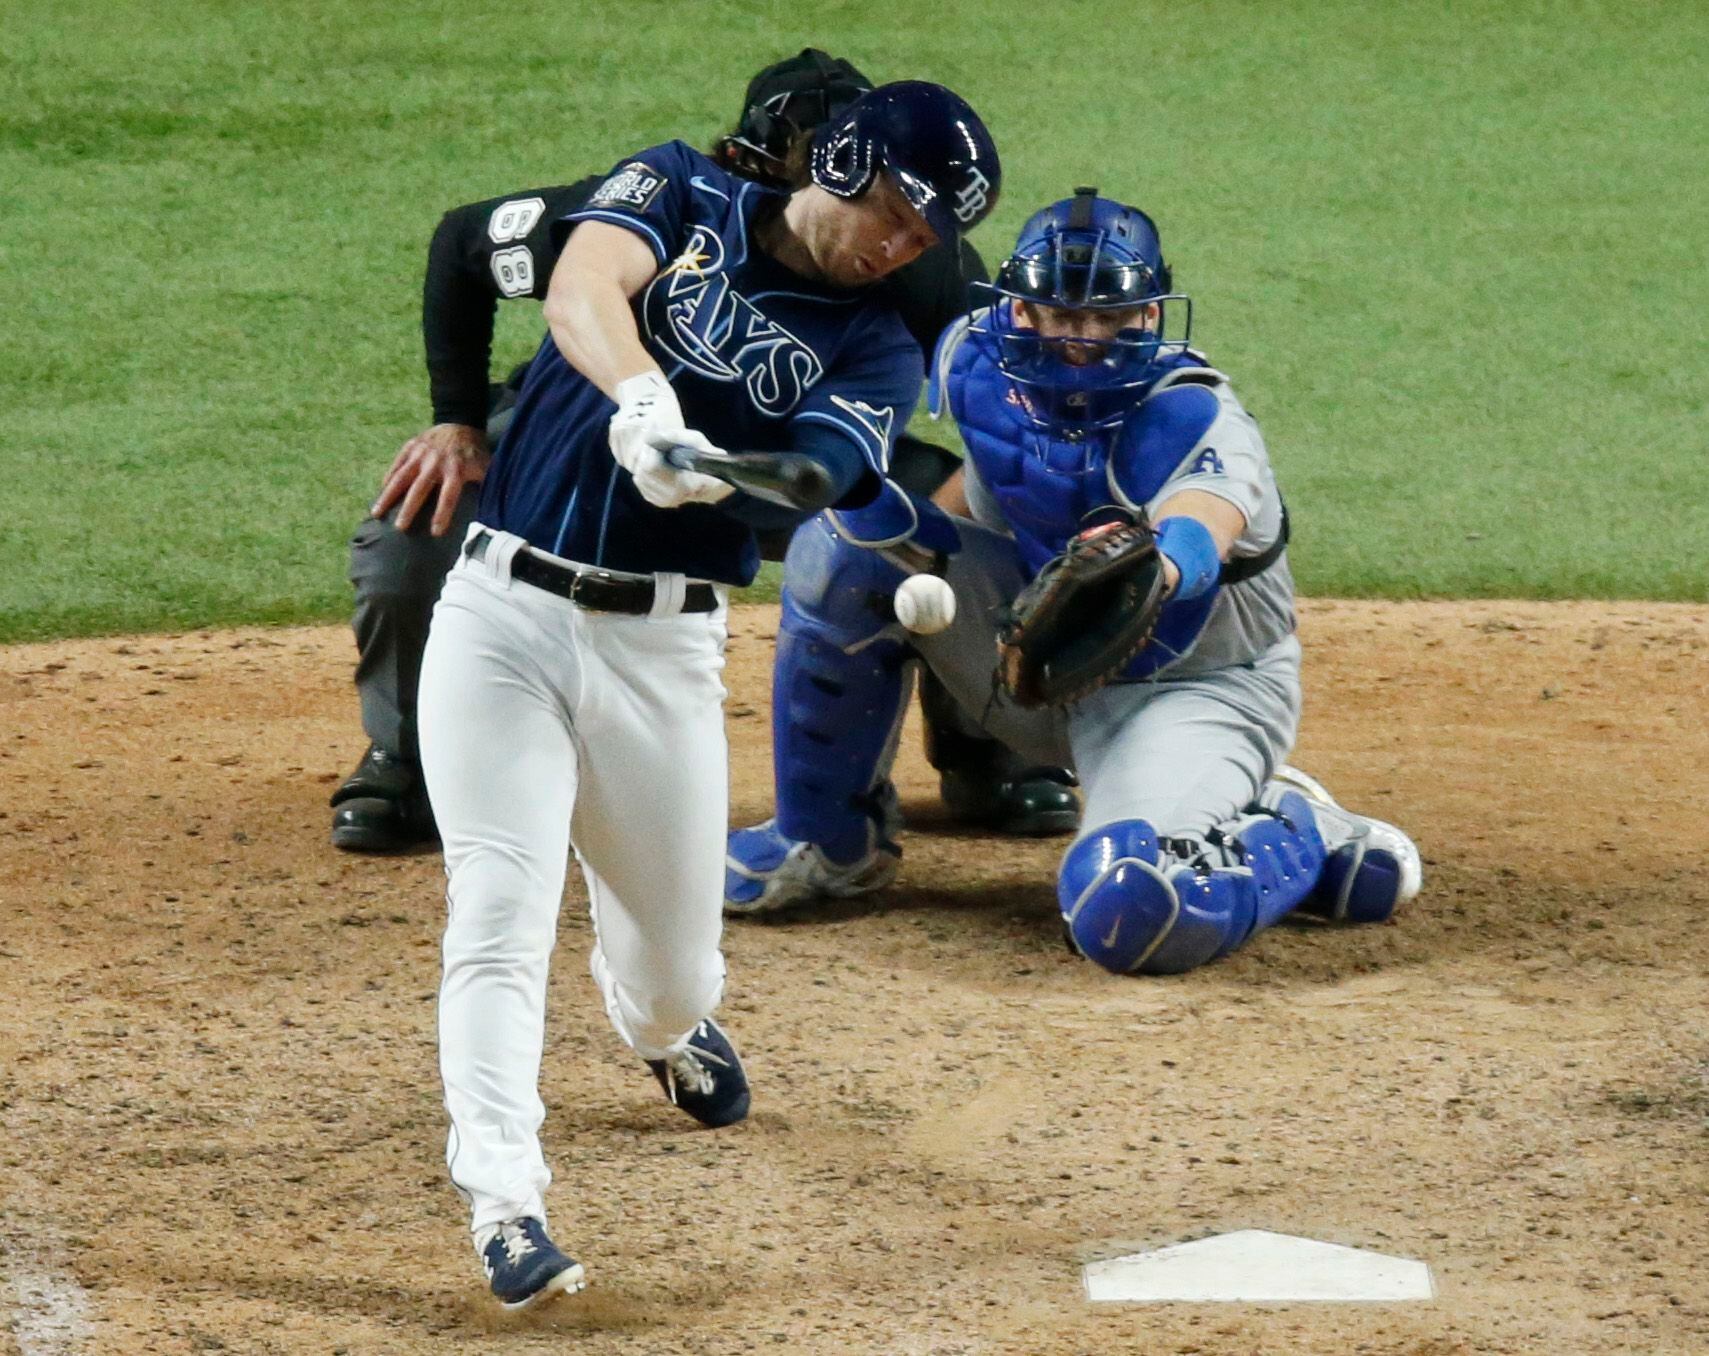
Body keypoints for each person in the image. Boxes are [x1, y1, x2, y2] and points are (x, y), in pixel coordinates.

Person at [417, 83, 1001, 1306]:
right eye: (893, 211)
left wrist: (723, 477)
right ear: (840, 162)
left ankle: (664, 1032)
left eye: (922, 234)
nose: (902, 244)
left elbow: (819, 472)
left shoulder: (877, 344)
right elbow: (582, 289)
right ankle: (506, 1202)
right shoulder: (681, 186)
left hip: (660, 654)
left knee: (678, 968)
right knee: (499, 904)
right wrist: (643, 403)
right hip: (500, 617)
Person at [331, 50, 1071, 853]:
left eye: (908, 224)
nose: (889, 238)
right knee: (420, 516)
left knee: (963, 528)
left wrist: (962, 506)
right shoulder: (674, 196)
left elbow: (1008, 407)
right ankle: (406, 758)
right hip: (594, 426)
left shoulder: (925, 274)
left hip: (790, 457)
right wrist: (457, 422)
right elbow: (467, 247)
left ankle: (988, 749)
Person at [724, 188, 1423, 973]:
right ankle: (825, 843)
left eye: (1107, 319)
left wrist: (1147, 569)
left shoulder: (1194, 416)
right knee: (849, 543)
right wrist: (929, 585)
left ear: (1150, 319)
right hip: (1035, 664)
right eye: (1059, 315)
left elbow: (1201, 529)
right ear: (1020, 311)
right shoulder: (976, 363)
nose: (1080, 340)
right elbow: (974, 508)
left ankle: (1292, 824)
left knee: (1131, 910)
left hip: (1185, 692)